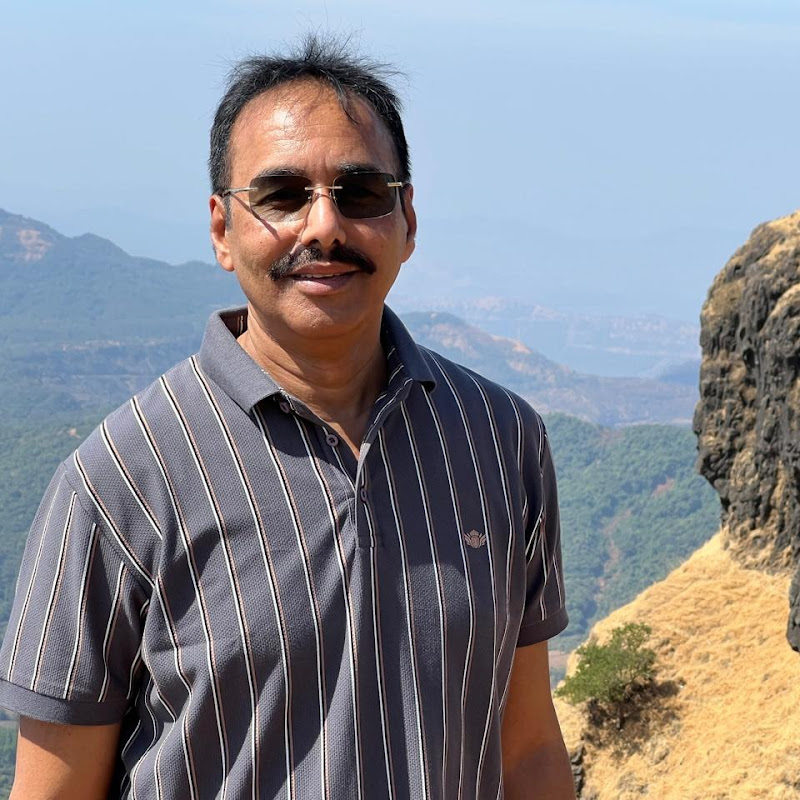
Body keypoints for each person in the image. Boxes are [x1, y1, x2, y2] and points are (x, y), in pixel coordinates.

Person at [0, 35, 574, 799]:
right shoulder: (121, 482)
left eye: (361, 192)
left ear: (407, 219)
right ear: (222, 229)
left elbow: (528, 749)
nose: (324, 226)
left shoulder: (499, 441)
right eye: (282, 195)